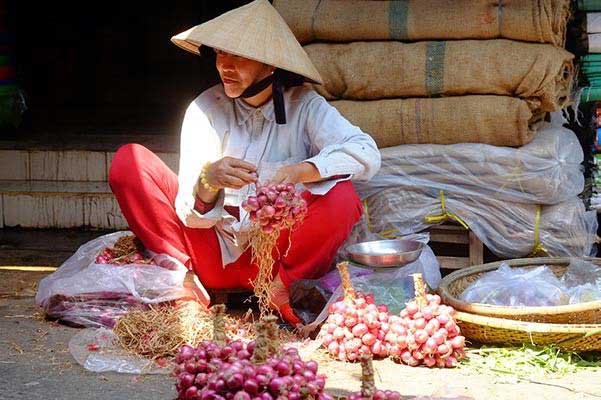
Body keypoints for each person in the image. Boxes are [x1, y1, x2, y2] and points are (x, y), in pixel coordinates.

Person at [108, 0, 380, 324]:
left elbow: (366, 152)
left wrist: (300, 171)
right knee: (129, 162)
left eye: (239, 56)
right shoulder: (205, 108)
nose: (225, 66)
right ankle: (184, 285)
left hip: (274, 261)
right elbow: (190, 215)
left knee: (342, 196)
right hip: (211, 256)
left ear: (271, 65)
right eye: (220, 54)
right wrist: (208, 181)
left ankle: (280, 292)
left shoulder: (305, 106)